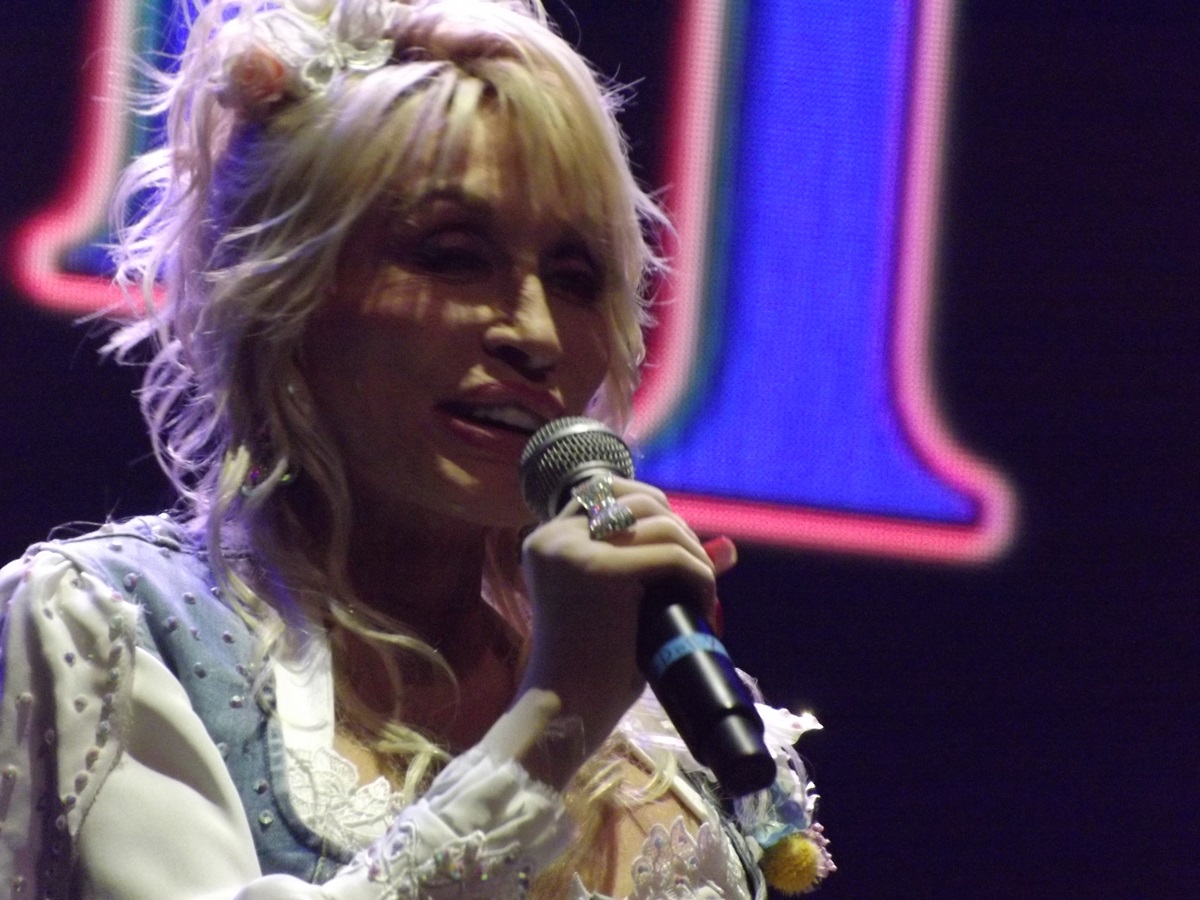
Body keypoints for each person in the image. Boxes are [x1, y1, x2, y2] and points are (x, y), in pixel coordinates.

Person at [0, 0, 832, 896]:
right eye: (453, 255)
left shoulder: (679, 735)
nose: (534, 334)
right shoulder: (112, 630)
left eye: (575, 276)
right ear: (284, 288)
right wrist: (551, 722)